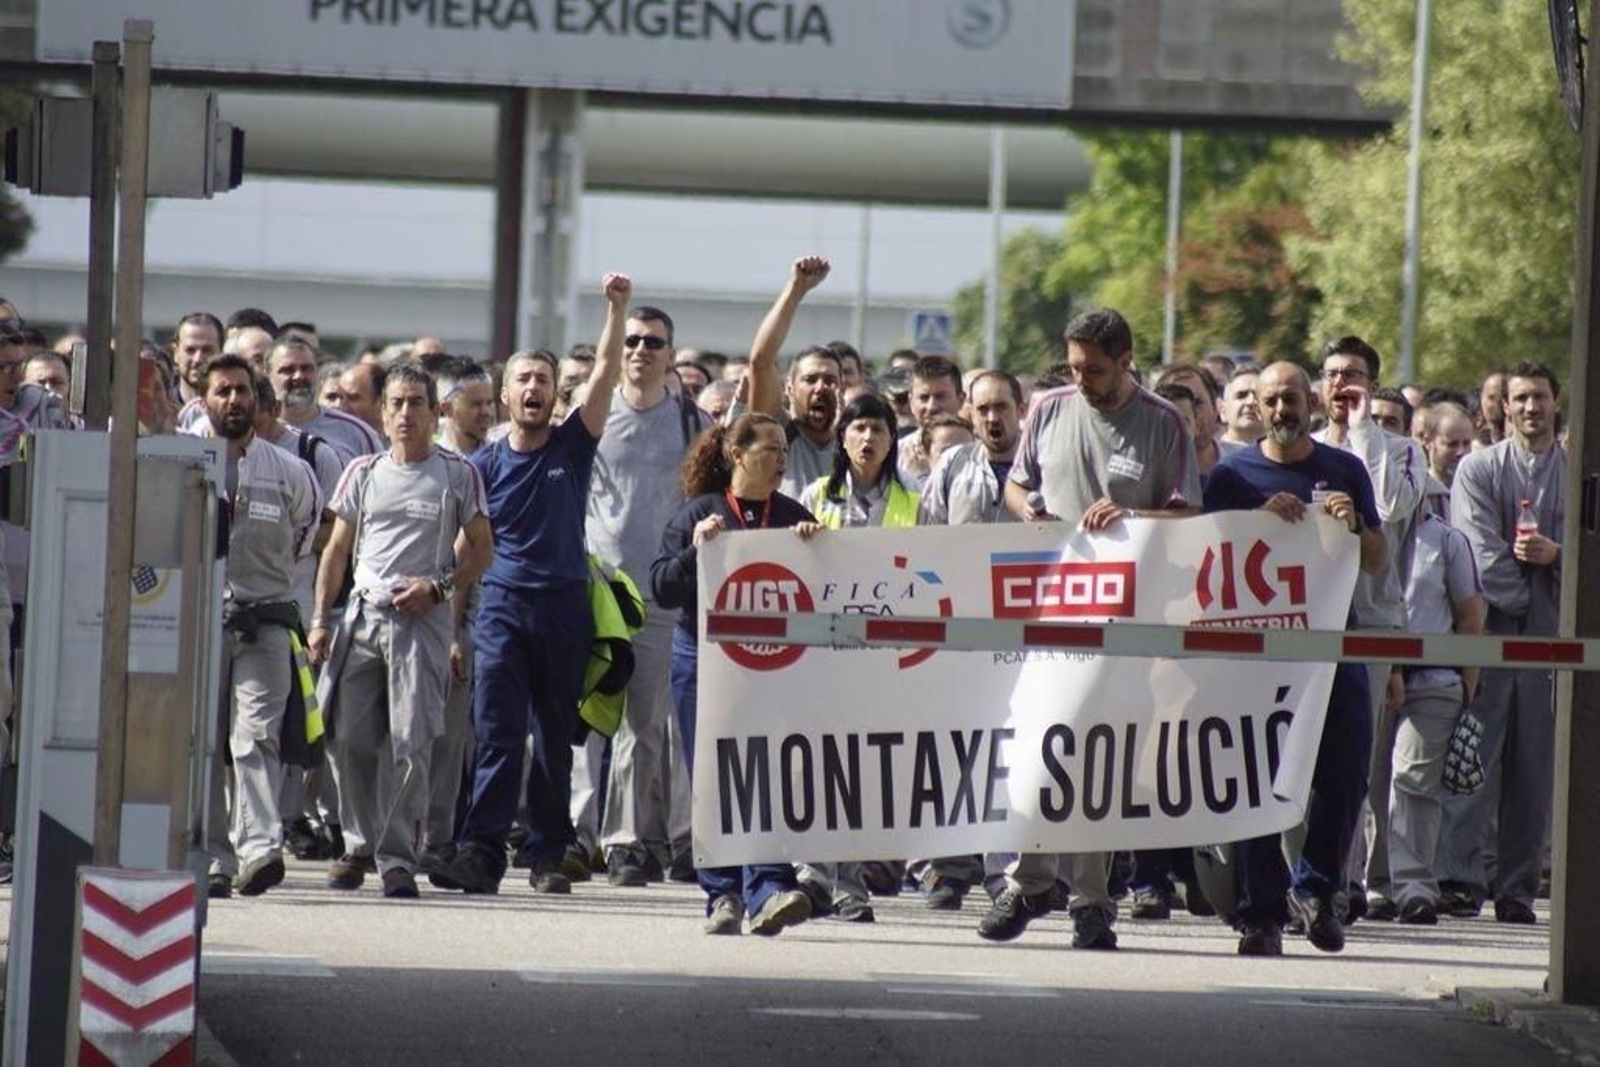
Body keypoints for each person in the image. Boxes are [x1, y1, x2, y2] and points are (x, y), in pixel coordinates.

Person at [983, 308, 1201, 953]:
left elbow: (1188, 517)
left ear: (1126, 359)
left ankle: (1091, 902)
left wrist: (1132, 516)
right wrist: (1037, 512)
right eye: (1075, 366)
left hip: (1128, 618)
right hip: (1051, 610)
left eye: (1095, 369)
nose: (1082, 379)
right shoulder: (1048, 409)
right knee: (1039, 746)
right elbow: (1018, 487)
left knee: (1098, 758)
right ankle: (1028, 881)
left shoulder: (1164, 424)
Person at [437, 274, 629, 896]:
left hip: (565, 609)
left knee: (553, 739)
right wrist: (454, 626)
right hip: (501, 610)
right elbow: (467, 549)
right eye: (523, 379)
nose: (534, 388)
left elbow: (604, 370)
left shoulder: (572, 447)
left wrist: (616, 308)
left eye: (544, 381)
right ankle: (482, 853)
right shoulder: (482, 465)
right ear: (504, 394)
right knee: (496, 734)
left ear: (554, 394)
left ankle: (548, 854)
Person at [1203, 361, 1385, 955]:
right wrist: (1254, 526)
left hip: (1334, 647)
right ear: (1255, 405)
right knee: (1259, 779)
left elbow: (1378, 559)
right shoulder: (1231, 475)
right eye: (1271, 401)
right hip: (1257, 659)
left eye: (1291, 400)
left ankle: (1317, 890)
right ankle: (1260, 913)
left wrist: (1353, 522)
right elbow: (1205, 558)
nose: (1282, 410)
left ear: (1310, 403)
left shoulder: (1345, 469)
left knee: (1346, 772)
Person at [308, 365, 492, 899]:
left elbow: (482, 550)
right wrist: (322, 619)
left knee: (412, 742)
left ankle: (396, 858)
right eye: (396, 404)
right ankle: (357, 843)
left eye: (417, 403)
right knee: (348, 737)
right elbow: (336, 551)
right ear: (383, 414)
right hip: (363, 616)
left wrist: (438, 588)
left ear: (435, 412)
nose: (406, 414)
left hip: (423, 620)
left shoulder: (458, 474)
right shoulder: (362, 472)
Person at [650, 412, 820, 935]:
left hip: (772, 662)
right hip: (702, 658)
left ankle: (768, 886)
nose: (781, 460)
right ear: (737, 454)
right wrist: (695, 551)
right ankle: (722, 894)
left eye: (784, 451)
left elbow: (828, 586)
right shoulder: (697, 514)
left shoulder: (791, 514)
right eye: (769, 449)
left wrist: (818, 545)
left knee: (765, 770)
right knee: (713, 774)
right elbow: (661, 587)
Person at [586, 301, 710, 887]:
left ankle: (679, 841)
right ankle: (624, 843)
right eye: (632, 340)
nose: (639, 350)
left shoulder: (693, 423)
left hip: (667, 594)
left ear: (670, 354)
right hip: (604, 595)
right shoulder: (593, 415)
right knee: (619, 727)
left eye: (653, 342)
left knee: (668, 725)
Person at [1437, 361, 1565, 924]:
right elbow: (1482, 557)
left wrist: (1557, 558)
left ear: (1556, 403)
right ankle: (1462, 878)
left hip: (1554, 641)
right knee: (1473, 756)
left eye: (1540, 396)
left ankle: (1517, 886)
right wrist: (1536, 589)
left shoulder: (1578, 471)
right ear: (1504, 407)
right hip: (1488, 634)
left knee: (1535, 768)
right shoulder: (1479, 470)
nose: (1531, 407)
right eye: (1521, 398)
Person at [199, 354, 323, 897]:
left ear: (258, 399)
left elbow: (305, 536)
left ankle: (260, 849)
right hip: (196, 625)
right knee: (200, 743)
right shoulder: (183, 459)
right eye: (222, 391)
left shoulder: (289, 470)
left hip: (266, 622)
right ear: (205, 399)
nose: (233, 401)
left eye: (242, 391)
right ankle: (212, 857)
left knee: (255, 737)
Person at [793, 391, 920, 924]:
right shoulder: (815, 495)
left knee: (863, 772)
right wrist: (801, 539)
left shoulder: (915, 500)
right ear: (842, 438)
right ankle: (815, 874)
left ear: (893, 441)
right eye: (859, 428)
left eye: (879, 430)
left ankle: (851, 883)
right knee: (817, 765)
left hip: (885, 658)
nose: (868, 439)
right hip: (824, 656)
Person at [1313, 337, 1425, 923]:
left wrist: (1361, 433)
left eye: (1353, 375)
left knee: (1356, 756)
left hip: (1373, 621)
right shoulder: (1301, 450)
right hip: (1309, 619)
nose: (1341, 385)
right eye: (1332, 374)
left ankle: (1348, 880)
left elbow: (1382, 507)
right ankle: (1312, 876)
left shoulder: (1404, 453)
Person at [1386, 503, 1484, 924]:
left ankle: (1413, 886)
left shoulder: (1447, 540)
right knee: (1361, 783)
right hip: (1371, 672)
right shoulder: (1363, 530)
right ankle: (1368, 884)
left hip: (1433, 678)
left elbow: (1470, 617)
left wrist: (1467, 684)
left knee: (1414, 781)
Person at [742, 256, 836, 499]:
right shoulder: (776, 431)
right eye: (810, 379)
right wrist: (796, 289)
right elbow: (761, 361)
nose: (821, 388)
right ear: (789, 389)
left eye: (830, 381)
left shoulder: (854, 444)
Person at [268, 340, 384, 465]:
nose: (299, 376)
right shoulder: (256, 430)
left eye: (307, 368)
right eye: (288, 369)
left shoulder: (359, 433)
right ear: (267, 374)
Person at [1218, 365, 1264, 449]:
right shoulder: (1210, 457)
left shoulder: (1287, 456)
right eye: (1241, 396)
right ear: (1223, 411)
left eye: (1259, 396)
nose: (1251, 402)